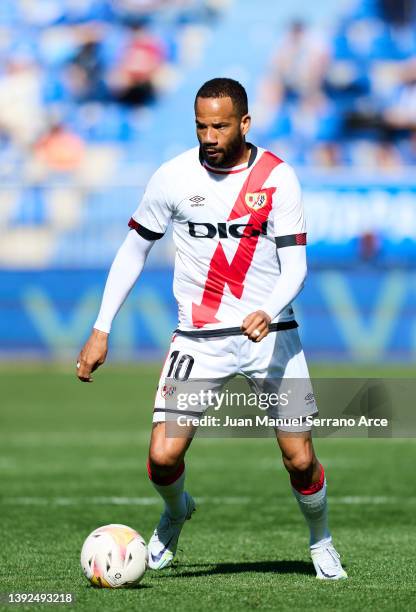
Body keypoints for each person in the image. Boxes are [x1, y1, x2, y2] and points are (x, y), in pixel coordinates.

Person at [76, 77, 347, 580]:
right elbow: (135, 248)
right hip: (199, 340)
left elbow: (296, 266)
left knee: (299, 459)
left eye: (220, 126)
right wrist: (101, 327)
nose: (209, 135)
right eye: (201, 125)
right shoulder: (173, 177)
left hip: (272, 335)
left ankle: (320, 540)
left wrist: (268, 308)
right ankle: (177, 512)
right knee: (161, 457)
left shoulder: (277, 178)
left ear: (244, 123)